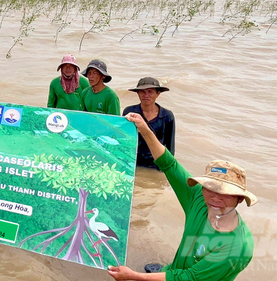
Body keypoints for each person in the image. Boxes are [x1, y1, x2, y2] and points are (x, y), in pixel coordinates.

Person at [108, 112, 257, 281]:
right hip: (178, 271)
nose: (215, 197)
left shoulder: (237, 247)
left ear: (239, 198)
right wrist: (145, 130)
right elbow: (169, 165)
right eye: (210, 188)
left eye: (225, 192)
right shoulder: (199, 200)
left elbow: (190, 277)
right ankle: (167, 270)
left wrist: (134, 276)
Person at [123, 77, 175, 169]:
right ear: (138, 93)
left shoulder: (167, 116)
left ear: (158, 94)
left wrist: (168, 169)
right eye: (142, 92)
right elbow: (124, 139)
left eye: (150, 91)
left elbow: (170, 146)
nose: (146, 95)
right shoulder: (130, 112)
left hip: (156, 164)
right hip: (134, 162)